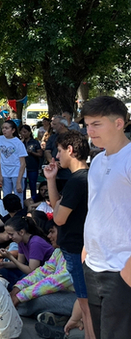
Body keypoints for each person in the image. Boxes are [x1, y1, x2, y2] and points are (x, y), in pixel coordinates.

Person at [80, 96, 131, 337]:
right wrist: (86, 250)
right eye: (87, 124)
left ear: (119, 123)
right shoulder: (98, 161)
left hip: (122, 268)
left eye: (96, 124)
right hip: (94, 264)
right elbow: (97, 208)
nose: (89, 130)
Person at [42, 129, 95, 338]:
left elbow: (58, 218)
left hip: (76, 247)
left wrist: (57, 209)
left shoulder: (77, 181)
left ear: (70, 150)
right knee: (85, 301)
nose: (56, 156)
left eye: (60, 151)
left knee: (86, 304)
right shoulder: (85, 177)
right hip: (81, 246)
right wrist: (51, 179)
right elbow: (57, 206)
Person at [11, 220, 76, 319]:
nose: (49, 236)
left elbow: (54, 281)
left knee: (33, 301)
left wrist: (20, 296)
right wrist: (19, 287)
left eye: (52, 232)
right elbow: (43, 272)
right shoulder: (59, 251)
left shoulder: (76, 255)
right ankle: (58, 318)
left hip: (77, 299)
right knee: (25, 295)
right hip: (62, 294)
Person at [0, 216, 54, 290]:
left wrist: (10, 257)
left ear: (21, 232)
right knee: (3, 269)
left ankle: (13, 286)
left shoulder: (35, 242)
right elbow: (20, 263)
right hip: (32, 270)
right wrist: (3, 264)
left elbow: (31, 270)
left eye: (11, 234)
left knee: (19, 282)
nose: (9, 237)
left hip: (44, 273)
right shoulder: (21, 241)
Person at [0, 120, 28, 205]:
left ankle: (19, 215)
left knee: (18, 195)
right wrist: (0, 175)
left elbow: (23, 163)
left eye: (6, 128)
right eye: (3, 128)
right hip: (4, 171)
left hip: (17, 172)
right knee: (6, 196)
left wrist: (18, 181)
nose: (4, 130)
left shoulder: (18, 143)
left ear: (13, 130)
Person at [44, 116, 71, 190]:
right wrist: (53, 162)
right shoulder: (52, 137)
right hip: (56, 174)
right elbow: (47, 151)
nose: (52, 126)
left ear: (62, 125)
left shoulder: (73, 136)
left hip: (70, 173)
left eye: (54, 124)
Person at [20, 124, 43, 199]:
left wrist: (32, 152)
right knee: (22, 186)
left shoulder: (35, 142)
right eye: (22, 132)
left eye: (25, 132)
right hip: (22, 167)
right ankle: (22, 202)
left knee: (33, 185)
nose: (23, 134)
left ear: (29, 132)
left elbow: (40, 154)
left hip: (32, 166)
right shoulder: (19, 142)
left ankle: (33, 201)